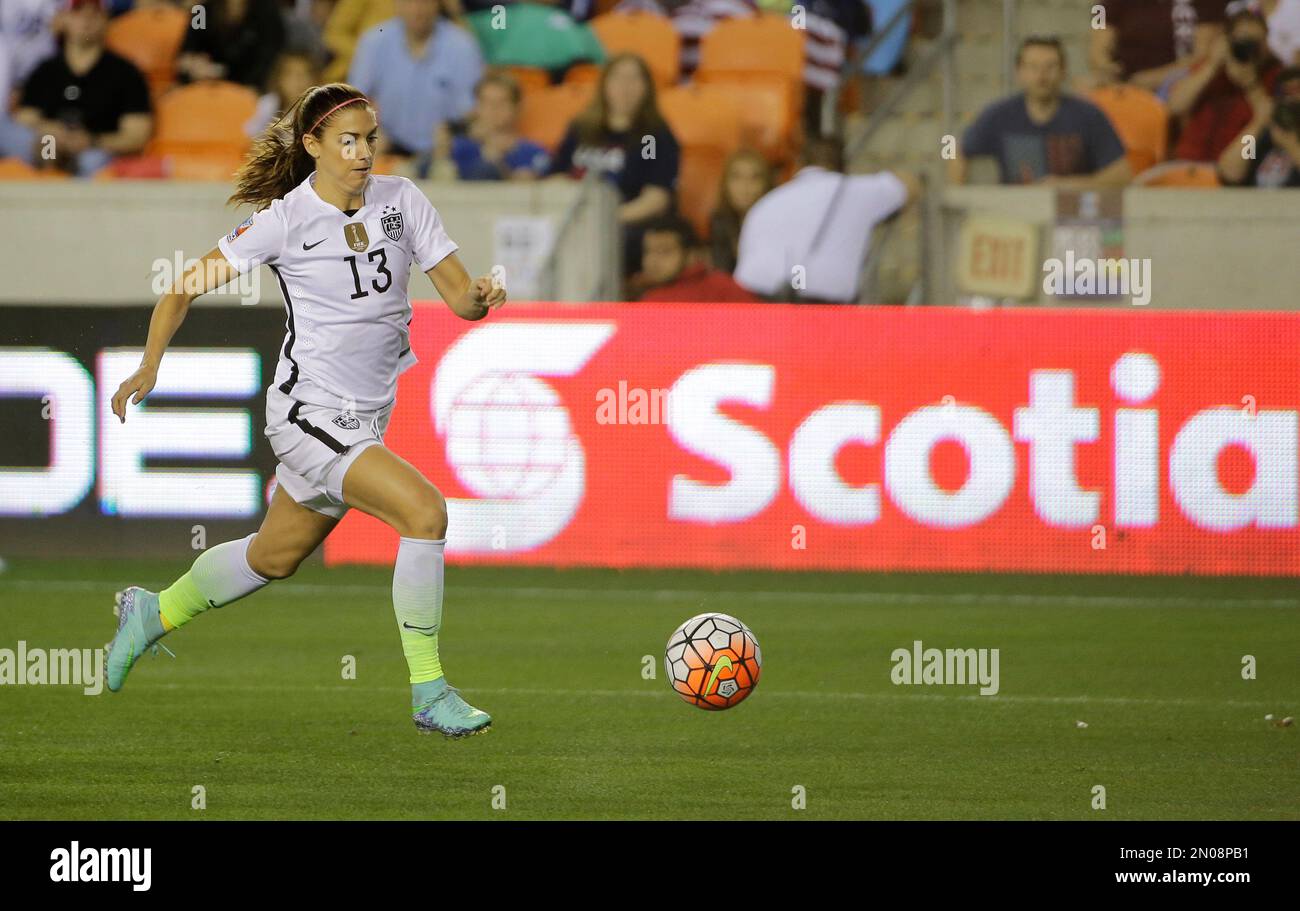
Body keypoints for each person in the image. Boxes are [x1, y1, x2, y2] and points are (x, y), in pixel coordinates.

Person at [105, 83, 507, 739]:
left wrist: (483, 296)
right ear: (314, 144)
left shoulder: (403, 202)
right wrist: (150, 364)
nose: (362, 153)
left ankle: (154, 611)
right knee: (425, 512)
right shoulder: (286, 221)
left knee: (274, 556)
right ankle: (429, 691)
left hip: (365, 415)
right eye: (347, 140)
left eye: (370, 138)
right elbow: (182, 286)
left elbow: (461, 300)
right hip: (306, 414)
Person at [734, 134, 918, 304]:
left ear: (799, 165)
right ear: (843, 166)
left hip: (752, 306)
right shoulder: (854, 191)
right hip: (819, 311)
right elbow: (909, 184)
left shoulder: (767, 202)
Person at [547, 52, 680, 274]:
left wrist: (606, 217)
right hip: (574, 214)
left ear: (646, 88)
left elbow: (656, 198)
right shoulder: (581, 128)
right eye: (618, 78)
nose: (625, 87)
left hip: (622, 222)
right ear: (605, 85)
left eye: (634, 79)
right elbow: (557, 176)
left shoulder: (652, 137)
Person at [951, 36, 1130, 187]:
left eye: (1050, 67)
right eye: (1033, 67)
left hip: (1073, 215)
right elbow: (952, 147)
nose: (1041, 76)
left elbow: (1122, 175)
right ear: (1019, 72)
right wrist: (954, 193)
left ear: (1063, 71)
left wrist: (1069, 186)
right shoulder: (999, 115)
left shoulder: (1089, 115)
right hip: (1014, 220)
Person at [14, 0, 152, 176]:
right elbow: (25, 119)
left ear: (107, 19)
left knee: (92, 161)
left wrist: (92, 140)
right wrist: (50, 131)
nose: (86, 19)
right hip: (47, 145)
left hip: (92, 151)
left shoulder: (126, 72)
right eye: (78, 12)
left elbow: (137, 135)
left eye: (94, 13)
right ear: (63, 19)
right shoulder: (45, 70)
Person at [347, 0, 482, 173]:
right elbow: (351, 103)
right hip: (389, 147)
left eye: (425, 2)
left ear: (438, 5)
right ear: (397, 5)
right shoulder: (374, 41)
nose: (418, 10)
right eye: (410, 2)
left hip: (445, 151)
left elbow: (472, 113)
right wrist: (369, 133)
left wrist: (454, 133)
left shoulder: (462, 45)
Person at [1173, 8, 1283, 162]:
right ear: (1227, 40)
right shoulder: (1210, 67)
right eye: (1242, 41)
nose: (1248, 49)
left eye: (1255, 42)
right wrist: (1212, 66)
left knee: (1246, 154)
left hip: (1244, 164)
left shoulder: (1275, 73)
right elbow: (1175, 106)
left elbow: (1266, 118)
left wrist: (1251, 86)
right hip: (1193, 162)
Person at [1088, 0, 1224, 98]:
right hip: (1123, 85)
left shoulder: (1206, 4)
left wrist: (1151, 79)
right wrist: (1103, 65)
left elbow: (1203, 55)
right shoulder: (1111, 5)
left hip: (1177, 85)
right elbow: (1099, 34)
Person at [445, 72, 550, 180]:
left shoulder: (533, 152)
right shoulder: (459, 148)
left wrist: (498, 162)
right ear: (476, 107)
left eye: (502, 102)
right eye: (486, 102)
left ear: (517, 107)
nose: (494, 108)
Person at [635, 214, 760, 301]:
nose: (652, 261)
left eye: (664, 251)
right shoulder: (646, 295)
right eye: (648, 251)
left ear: (691, 255)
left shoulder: (722, 288)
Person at [177, 0, 287, 90]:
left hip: (250, 91)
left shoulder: (268, 13)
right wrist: (194, 64)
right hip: (204, 88)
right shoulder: (203, 11)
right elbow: (186, 54)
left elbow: (271, 58)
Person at [1220, 64, 1300, 185]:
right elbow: (1230, 173)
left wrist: (1292, 147)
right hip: (1256, 202)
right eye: (1287, 92)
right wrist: (1257, 123)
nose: (1292, 98)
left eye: (1297, 90)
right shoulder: (1265, 135)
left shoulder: (1289, 140)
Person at [708, 147, 772, 274]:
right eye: (736, 177)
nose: (745, 186)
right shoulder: (719, 221)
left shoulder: (777, 221)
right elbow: (722, 273)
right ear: (725, 184)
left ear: (767, 184)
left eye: (755, 178)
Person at [247, 51, 320, 137]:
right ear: (280, 80)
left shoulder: (321, 109)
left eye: (305, 74)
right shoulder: (269, 103)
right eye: (291, 74)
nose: (298, 80)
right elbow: (253, 140)